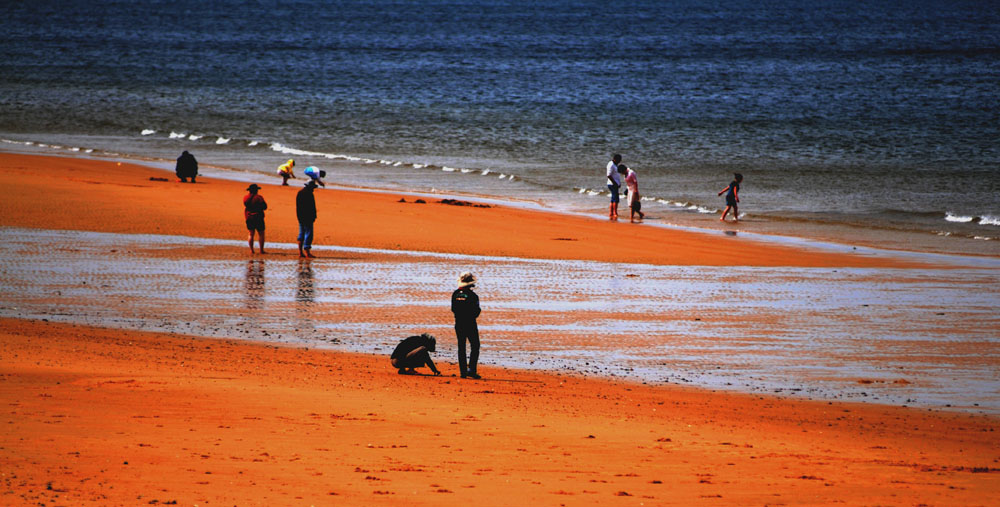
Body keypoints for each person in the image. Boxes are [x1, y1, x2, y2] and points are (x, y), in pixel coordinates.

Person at [451, 271, 481, 379]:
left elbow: (453, 309)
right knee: (475, 346)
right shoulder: (473, 296)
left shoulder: (455, 294)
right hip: (470, 324)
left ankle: (463, 372)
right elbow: (476, 311)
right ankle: (472, 370)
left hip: (458, 324)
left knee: (461, 347)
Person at [296, 179, 318, 258]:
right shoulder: (309, 194)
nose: (313, 189)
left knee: (301, 234)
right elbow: (311, 207)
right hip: (307, 217)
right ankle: (307, 252)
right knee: (308, 234)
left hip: (300, 217)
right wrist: (313, 216)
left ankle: (300, 252)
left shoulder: (300, 193)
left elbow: (298, 206)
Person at [243, 184, 268, 254]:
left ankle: (251, 250)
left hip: (249, 217)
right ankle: (261, 250)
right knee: (261, 233)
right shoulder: (259, 198)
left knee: (251, 233)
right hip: (258, 217)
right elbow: (265, 207)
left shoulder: (245, 198)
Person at [606, 154, 622, 220]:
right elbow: (608, 175)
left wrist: (618, 183)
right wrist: (615, 183)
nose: (619, 161)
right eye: (619, 160)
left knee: (613, 198)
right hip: (612, 184)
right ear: (615, 159)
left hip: (615, 183)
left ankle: (611, 212)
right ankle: (615, 212)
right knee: (615, 199)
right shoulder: (611, 164)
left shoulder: (615, 164)